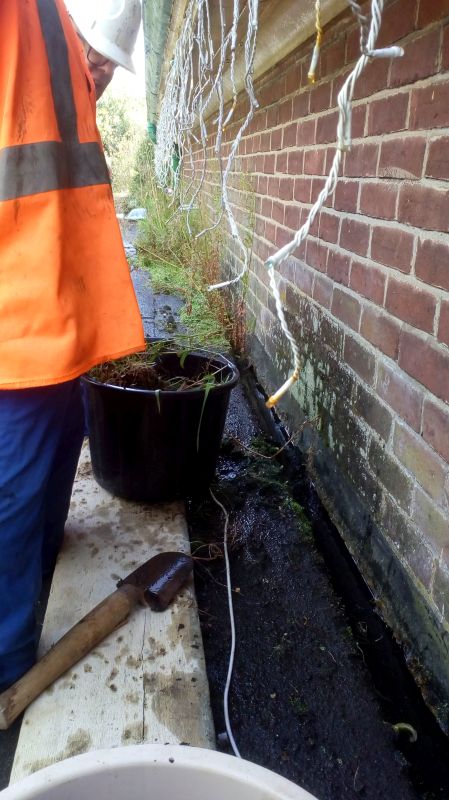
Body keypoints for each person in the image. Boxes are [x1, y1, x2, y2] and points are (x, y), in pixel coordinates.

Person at [0, 0, 145, 692]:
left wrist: (102, 43)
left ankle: (32, 582)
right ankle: (6, 671)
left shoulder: (47, 19)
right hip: (14, 312)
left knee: (51, 449)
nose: (104, 74)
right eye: (103, 64)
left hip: (53, 302)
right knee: (16, 482)